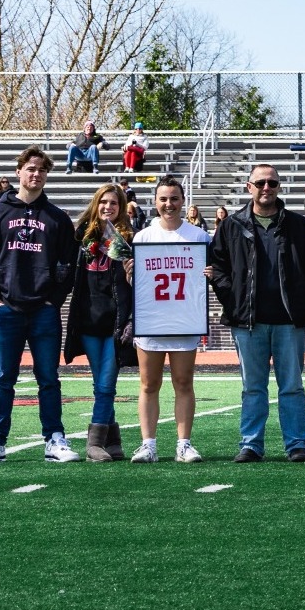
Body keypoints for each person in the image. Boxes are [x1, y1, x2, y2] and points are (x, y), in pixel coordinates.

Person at [210, 163, 305, 463]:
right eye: (260, 183)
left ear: (279, 187)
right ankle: (251, 444)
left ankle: (297, 443)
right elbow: (218, 268)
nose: (266, 188)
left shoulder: (299, 226)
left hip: (289, 320)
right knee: (252, 387)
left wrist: (302, 297)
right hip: (247, 320)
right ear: (249, 187)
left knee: (292, 386)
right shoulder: (231, 225)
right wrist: (232, 298)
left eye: (272, 183)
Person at [0, 147, 81, 464]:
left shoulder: (58, 218)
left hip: (44, 310)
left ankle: (54, 439)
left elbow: (68, 267)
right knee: (4, 377)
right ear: (19, 171)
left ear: (47, 175)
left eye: (42, 170)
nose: (35, 174)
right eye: (30, 168)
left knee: (48, 377)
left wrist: (53, 299)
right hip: (6, 308)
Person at [130, 176, 209, 464]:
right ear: (155, 202)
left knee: (183, 382)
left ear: (183, 200)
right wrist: (131, 275)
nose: (169, 204)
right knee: (148, 384)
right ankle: (148, 444)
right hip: (153, 318)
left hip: (184, 318)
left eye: (174, 198)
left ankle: (183, 444)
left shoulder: (198, 236)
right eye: (163, 199)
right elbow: (137, 283)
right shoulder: (143, 237)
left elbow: (205, 277)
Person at [65, 183, 136, 462]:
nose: (108, 207)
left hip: (115, 323)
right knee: (101, 384)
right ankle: (113, 442)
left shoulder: (129, 240)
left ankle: (93, 444)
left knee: (106, 384)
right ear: (96, 204)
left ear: (121, 208)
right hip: (87, 321)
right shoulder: (82, 238)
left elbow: (138, 285)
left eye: (114, 203)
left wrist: (133, 272)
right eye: (104, 202)